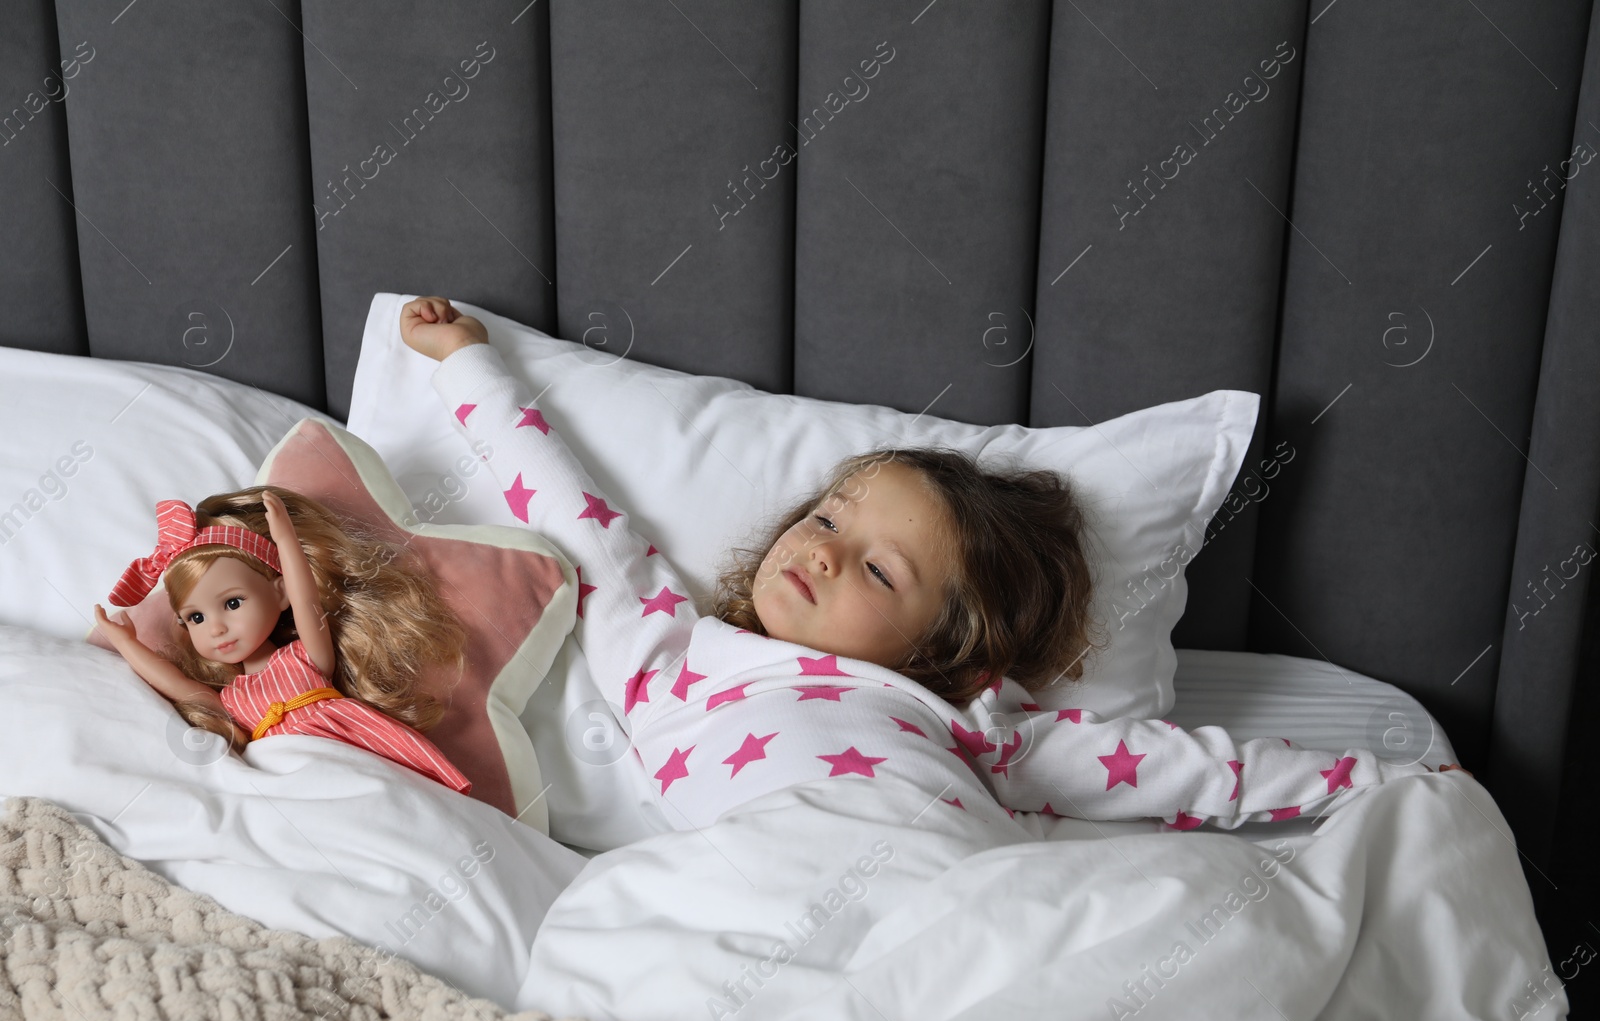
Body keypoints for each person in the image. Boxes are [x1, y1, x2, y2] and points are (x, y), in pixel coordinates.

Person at [401, 295, 1465, 830]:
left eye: (878, 573)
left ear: (941, 655)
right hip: (732, 885)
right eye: (826, 520)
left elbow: (1196, 772)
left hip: (925, 869)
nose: (822, 553)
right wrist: (467, 364)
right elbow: (568, 503)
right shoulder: (668, 645)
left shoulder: (973, 732)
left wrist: (1392, 785)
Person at [92, 486, 472, 794]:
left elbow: (307, 602)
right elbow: (176, 684)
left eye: (233, 603)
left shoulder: (303, 659)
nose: (216, 628)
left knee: (388, 795)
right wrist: (127, 643)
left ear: (279, 593)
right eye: (196, 617)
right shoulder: (231, 700)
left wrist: (285, 539)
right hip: (285, 778)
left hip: (349, 752)